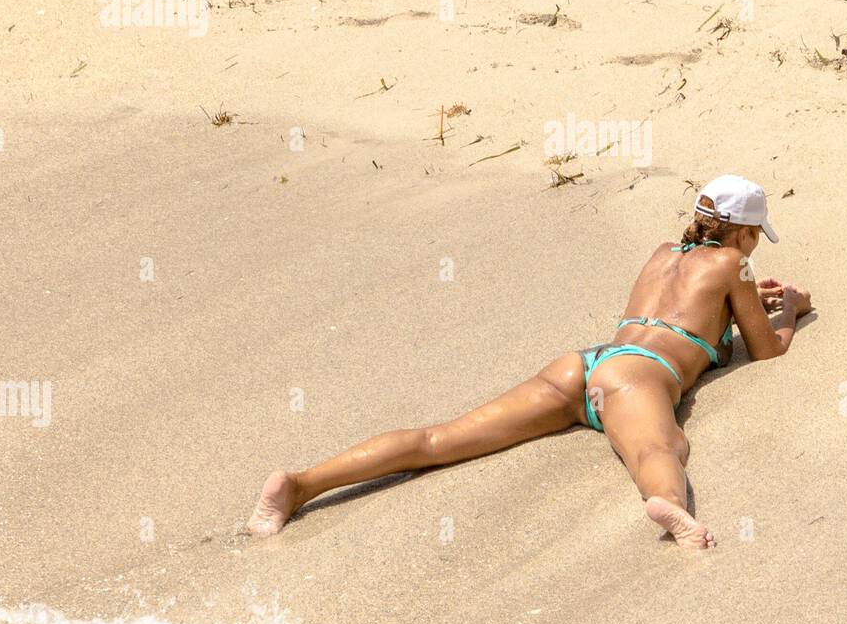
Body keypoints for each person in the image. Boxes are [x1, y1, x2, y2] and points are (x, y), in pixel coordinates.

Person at [247, 176, 812, 550]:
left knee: (441, 440)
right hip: (640, 376)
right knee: (659, 449)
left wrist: (741, 308)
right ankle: (671, 510)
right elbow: (766, 350)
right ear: (740, 232)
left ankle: (298, 484)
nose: (754, 247)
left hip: (585, 364)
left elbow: (677, 311)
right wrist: (788, 310)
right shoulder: (734, 264)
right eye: (755, 235)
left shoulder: (665, 252)